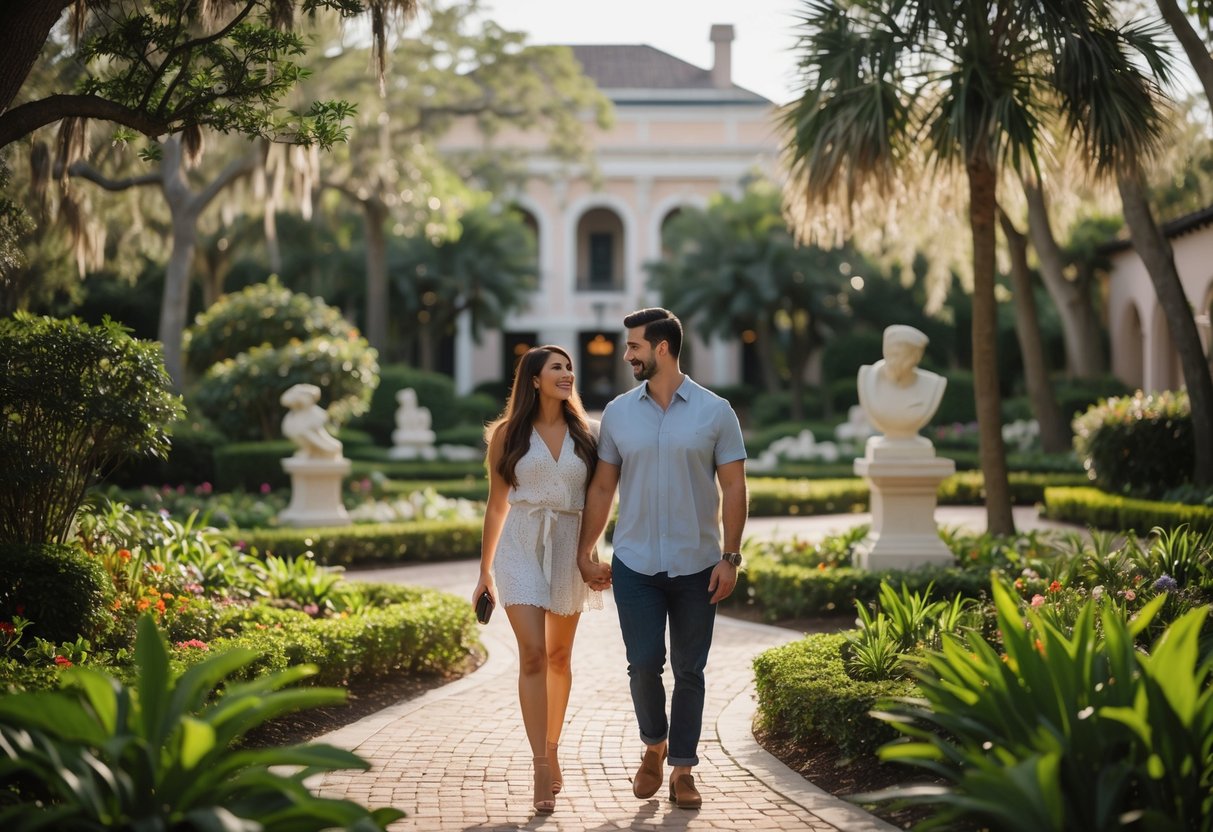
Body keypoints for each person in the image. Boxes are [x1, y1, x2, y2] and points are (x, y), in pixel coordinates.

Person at [576, 308, 748, 810]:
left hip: (698, 564)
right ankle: (654, 743)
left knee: (690, 670)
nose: (627, 354)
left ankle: (683, 770)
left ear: (662, 348)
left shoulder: (717, 412)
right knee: (644, 664)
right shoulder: (619, 413)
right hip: (635, 563)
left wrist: (731, 556)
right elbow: (604, 484)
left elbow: (734, 485)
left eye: (634, 346)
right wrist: (588, 550)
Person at [472, 345, 604, 815]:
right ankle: (540, 764)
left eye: (569, 368)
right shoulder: (507, 434)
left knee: (558, 656)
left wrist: (591, 554)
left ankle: (553, 744)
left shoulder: (589, 433)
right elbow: (496, 504)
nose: (568, 374)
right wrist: (484, 572)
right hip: (520, 547)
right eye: (557, 368)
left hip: (568, 548)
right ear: (533, 379)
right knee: (531, 655)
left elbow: (600, 500)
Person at [856, 324, 946, 451]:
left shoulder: (933, 384)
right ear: (885, 352)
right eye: (894, 354)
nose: (897, 361)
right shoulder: (868, 378)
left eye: (906, 356)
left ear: (917, 357)